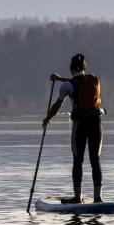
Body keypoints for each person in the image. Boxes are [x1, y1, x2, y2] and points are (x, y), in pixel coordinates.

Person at [42, 53, 104, 204]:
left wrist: (47, 119)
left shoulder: (67, 86)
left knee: (78, 159)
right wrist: (60, 79)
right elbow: (78, 81)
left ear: (71, 69)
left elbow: (57, 105)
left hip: (80, 124)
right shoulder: (94, 78)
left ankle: (77, 197)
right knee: (95, 159)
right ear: (84, 68)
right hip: (97, 123)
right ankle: (98, 197)